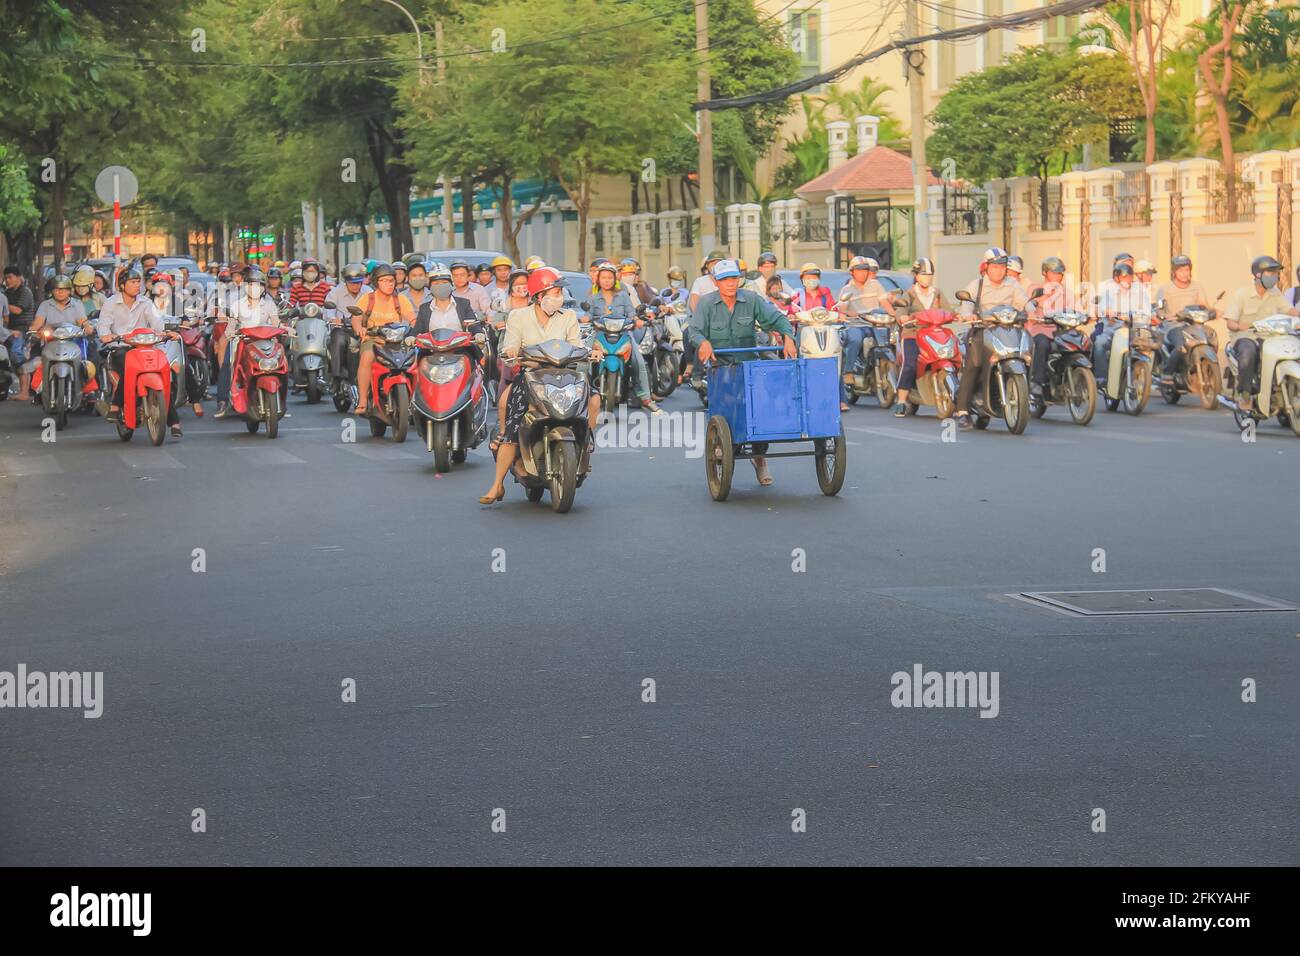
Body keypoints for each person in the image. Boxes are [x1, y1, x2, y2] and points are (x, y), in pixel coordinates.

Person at [479, 267, 599, 504]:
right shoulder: (518, 316)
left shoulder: (568, 317)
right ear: (539, 295)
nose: (559, 296)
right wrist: (512, 351)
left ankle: (584, 446)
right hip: (532, 375)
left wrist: (591, 352)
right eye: (555, 291)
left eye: (560, 292)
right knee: (512, 427)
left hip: (565, 375)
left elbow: (576, 345)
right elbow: (510, 346)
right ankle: (497, 484)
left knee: (594, 399)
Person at [685, 259, 797, 487]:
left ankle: (760, 458)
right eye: (725, 279)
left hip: (748, 365)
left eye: (733, 279)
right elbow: (694, 330)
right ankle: (721, 442)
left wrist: (787, 337)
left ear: (739, 280)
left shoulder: (752, 300)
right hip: (720, 366)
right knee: (725, 408)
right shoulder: (706, 304)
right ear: (716, 282)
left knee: (760, 409)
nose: (730, 284)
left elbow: (777, 319)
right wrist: (703, 342)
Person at [95, 268, 183, 435]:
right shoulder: (111, 303)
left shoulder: (145, 303)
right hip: (120, 347)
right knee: (128, 367)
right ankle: (115, 405)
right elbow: (103, 326)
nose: (137, 286)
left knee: (164, 371)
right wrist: (108, 336)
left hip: (145, 347)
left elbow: (156, 322)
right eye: (132, 282)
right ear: (122, 285)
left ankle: (173, 420)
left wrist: (166, 333)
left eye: (138, 282)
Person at [954, 247, 1029, 428]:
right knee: (974, 364)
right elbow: (966, 304)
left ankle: (1027, 394)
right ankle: (963, 410)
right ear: (986, 267)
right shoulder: (977, 285)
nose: (999, 270)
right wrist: (968, 315)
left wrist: (1033, 310)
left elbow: (1025, 302)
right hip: (982, 330)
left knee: (1026, 352)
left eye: (1002, 266)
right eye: (995, 267)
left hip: (1008, 330)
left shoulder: (1012, 284)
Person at [1225, 255, 1297, 411]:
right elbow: (1230, 322)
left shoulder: (1275, 293)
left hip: (1270, 337)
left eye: (1276, 273)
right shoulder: (1242, 294)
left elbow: (1288, 310)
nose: (1275, 277)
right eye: (1270, 273)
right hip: (1246, 337)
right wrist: (1239, 326)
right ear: (1258, 275)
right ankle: (1245, 394)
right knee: (1248, 352)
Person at [588, 261, 661, 413]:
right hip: (599, 334)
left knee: (639, 363)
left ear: (615, 279)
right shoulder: (594, 297)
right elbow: (588, 314)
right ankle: (581, 394)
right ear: (598, 280)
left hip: (623, 334)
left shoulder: (623, 295)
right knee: (583, 362)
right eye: (604, 277)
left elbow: (631, 314)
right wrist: (584, 318)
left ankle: (646, 398)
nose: (607, 280)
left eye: (610, 277)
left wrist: (638, 321)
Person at [213, 267, 283, 421]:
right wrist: (231, 332)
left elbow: (276, 322)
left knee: (281, 359)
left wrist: (286, 329)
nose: (255, 288)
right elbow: (230, 325)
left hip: (265, 342)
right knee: (228, 363)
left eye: (258, 285)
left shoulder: (269, 303)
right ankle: (223, 400)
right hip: (242, 342)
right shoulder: (237, 302)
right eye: (251, 284)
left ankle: (280, 400)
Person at [351, 263, 415, 416]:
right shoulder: (368, 298)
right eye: (384, 280)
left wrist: (415, 326)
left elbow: (412, 318)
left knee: (416, 359)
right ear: (376, 282)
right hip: (373, 340)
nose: (389, 284)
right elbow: (356, 318)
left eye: (391, 280)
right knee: (367, 357)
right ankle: (363, 400)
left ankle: (414, 400)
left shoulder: (401, 299)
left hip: (397, 341)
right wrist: (359, 328)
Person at [835, 256, 893, 410]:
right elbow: (842, 308)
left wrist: (895, 316)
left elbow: (885, 303)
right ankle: (848, 371)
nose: (862, 274)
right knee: (855, 338)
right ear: (852, 272)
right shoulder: (847, 289)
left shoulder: (875, 284)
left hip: (875, 323)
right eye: (859, 271)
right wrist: (850, 312)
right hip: (856, 324)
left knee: (888, 339)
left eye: (865, 270)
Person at [891, 257, 947, 417]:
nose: (927, 278)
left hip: (934, 335)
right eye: (923, 274)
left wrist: (958, 316)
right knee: (909, 364)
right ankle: (901, 401)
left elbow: (948, 310)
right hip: (913, 335)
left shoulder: (937, 293)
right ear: (916, 276)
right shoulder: (909, 294)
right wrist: (903, 318)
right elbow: (900, 312)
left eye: (930, 275)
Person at [27, 274, 95, 386]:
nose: (60, 292)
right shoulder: (45, 305)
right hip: (51, 342)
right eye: (57, 289)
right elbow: (37, 323)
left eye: (63, 289)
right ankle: (39, 389)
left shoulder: (76, 304)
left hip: (74, 341)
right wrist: (33, 330)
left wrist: (87, 327)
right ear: (52, 291)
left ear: (69, 291)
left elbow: (83, 321)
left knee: (90, 360)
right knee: (36, 360)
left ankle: (90, 390)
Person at [1092, 261, 1153, 387]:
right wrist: (1107, 312)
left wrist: (1139, 317)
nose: (1127, 280)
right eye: (1124, 276)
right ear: (1117, 277)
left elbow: (1147, 313)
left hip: (1133, 329)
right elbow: (1101, 309)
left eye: (1129, 276)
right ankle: (1101, 378)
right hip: (1112, 329)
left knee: (1150, 343)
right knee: (1100, 343)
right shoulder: (1109, 291)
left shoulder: (1140, 292)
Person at [1025, 256, 1077, 400]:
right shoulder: (1035, 289)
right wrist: (1034, 308)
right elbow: (1028, 306)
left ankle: (1076, 377)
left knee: (1079, 342)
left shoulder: (1066, 291)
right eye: (1054, 273)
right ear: (1045, 273)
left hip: (1060, 331)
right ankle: (1037, 382)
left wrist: (1085, 314)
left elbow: (1076, 308)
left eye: (1060, 273)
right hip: (1039, 329)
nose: (1057, 276)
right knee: (1042, 344)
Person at [414, 262, 475, 335]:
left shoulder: (464, 304)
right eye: (436, 284)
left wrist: (478, 334)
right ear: (430, 287)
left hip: (460, 345)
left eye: (444, 283)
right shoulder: (424, 308)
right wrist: (411, 337)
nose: (440, 286)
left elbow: (474, 326)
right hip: (432, 346)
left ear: (451, 285)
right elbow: (417, 331)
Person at [4, 266, 37, 400]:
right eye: (5, 278)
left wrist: (3, 303)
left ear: (18, 277)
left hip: (22, 330)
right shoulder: (7, 292)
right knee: (10, 359)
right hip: (9, 330)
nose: (7, 280)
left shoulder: (25, 292)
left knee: (18, 357)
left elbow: (18, 310)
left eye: (10, 277)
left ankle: (25, 392)